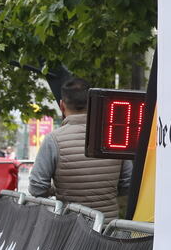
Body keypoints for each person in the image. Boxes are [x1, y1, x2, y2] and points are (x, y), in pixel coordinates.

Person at [28, 77, 132, 220]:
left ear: (62, 106)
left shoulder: (53, 140)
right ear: (93, 102)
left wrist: (57, 190)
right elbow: (128, 183)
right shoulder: (115, 139)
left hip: (70, 232)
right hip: (108, 231)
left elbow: (36, 188)